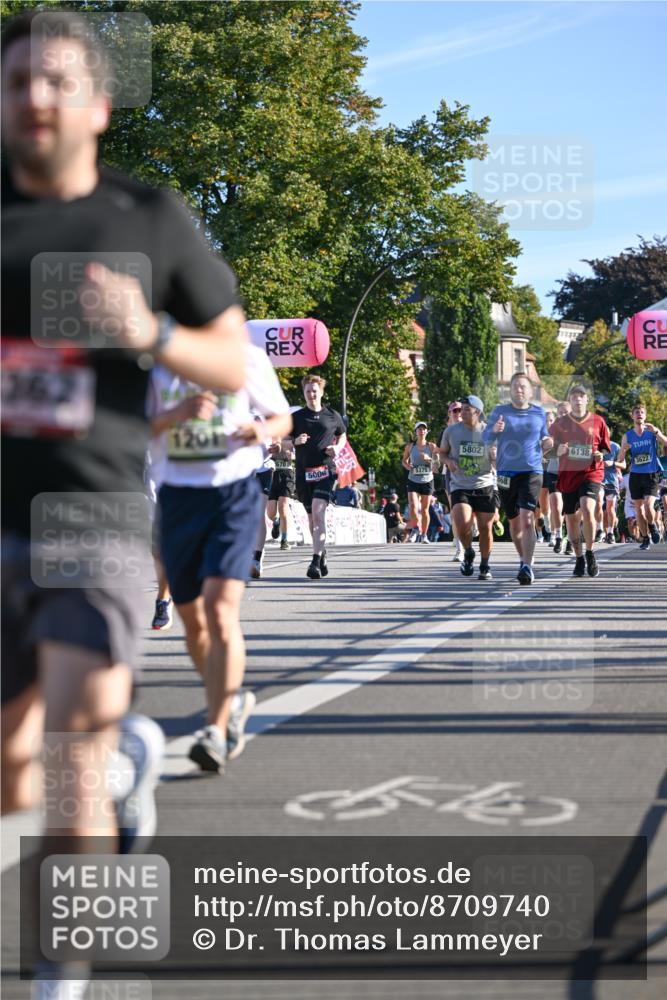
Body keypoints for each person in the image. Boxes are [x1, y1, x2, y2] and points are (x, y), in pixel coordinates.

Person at [1, 9, 249, 859]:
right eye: (16, 81)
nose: (35, 96)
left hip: (88, 513)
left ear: (99, 105)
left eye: (58, 81)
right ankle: (130, 759)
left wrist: (150, 333)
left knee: (70, 763)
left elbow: (229, 360)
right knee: (12, 772)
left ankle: (64, 982)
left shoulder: (146, 218)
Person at [148, 346, 291, 772]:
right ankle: (231, 697)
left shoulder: (244, 358)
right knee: (192, 621)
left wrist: (260, 431)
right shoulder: (155, 363)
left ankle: (216, 727)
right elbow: (130, 426)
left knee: (219, 607)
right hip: (177, 498)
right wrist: (177, 415)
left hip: (233, 494)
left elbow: (282, 417)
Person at [483, 373, 553, 584]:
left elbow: (545, 436)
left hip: (531, 470)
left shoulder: (538, 412)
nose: (519, 389)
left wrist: (548, 441)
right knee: (514, 523)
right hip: (506, 473)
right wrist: (494, 430)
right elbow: (485, 437)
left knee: (527, 518)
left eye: (523, 386)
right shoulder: (500, 412)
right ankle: (523, 558)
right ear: (510, 390)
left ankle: (527, 565)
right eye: (515, 386)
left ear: (530, 391)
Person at [549, 386, 611, 578]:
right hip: (568, 475)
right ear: (569, 400)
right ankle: (579, 558)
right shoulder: (559, 424)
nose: (577, 400)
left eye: (581, 397)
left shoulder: (598, 421)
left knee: (587, 507)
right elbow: (546, 447)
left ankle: (591, 553)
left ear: (586, 400)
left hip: (591, 473)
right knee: (572, 519)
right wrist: (556, 450)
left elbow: (606, 449)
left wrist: (601, 454)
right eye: (574, 397)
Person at [291, 374, 346, 579]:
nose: (311, 394)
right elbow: (285, 442)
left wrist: (338, 448)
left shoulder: (332, 416)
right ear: (304, 394)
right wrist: (295, 441)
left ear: (321, 392)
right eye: (308, 391)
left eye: (315, 391)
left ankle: (314, 561)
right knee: (311, 518)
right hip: (303, 473)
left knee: (318, 511)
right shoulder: (296, 417)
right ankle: (321, 552)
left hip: (326, 471)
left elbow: (342, 435)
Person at [439, 395, 497, 580]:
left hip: (484, 484)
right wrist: (448, 461)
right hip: (460, 485)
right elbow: (442, 454)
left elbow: (500, 460)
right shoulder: (451, 432)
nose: (461, 412)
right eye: (461, 409)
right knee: (463, 523)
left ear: (477, 412)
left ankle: (485, 564)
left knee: (485, 528)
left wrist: (495, 456)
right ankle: (469, 551)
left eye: (466, 409)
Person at [618, 403, 667, 549]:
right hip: (635, 475)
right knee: (638, 510)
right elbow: (620, 460)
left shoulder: (651, 431)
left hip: (651, 474)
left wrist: (657, 432)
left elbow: (666, 442)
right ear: (632, 416)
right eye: (636, 412)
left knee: (648, 506)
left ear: (645, 416)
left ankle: (652, 526)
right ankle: (645, 537)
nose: (639, 414)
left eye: (642, 412)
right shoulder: (627, 436)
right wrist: (623, 451)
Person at [402, 421, 440, 543]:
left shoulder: (432, 447)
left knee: (424, 509)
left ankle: (424, 534)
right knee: (413, 505)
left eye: (424, 429)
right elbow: (404, 460)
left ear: (426, 431)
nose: (422, 431)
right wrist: (407, 466)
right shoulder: (410, 446)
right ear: (416, 432)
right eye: (419, 429)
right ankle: (415, 529)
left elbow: (437, 464)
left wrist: (429, 459)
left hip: (427, 480)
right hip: (413, 479)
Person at [439, 401, 465, 561]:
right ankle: (460, 549)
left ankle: (471, 526)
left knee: (471, 513)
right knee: (456, 512)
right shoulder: (446, 432)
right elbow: (441, 454)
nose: (457, 413)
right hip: (451, 474)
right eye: (454, 411)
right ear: (449, 414)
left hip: (471, 474)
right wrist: (444, 461)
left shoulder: (471, 429)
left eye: (460, 411)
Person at [543, 401, 570, 553]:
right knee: (555, 504)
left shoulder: (579, 429)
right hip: (554, 471)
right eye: (560, 412)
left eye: (565, 412)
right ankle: (558, 537)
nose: (562, 415)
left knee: (571, 509)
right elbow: (545, 445)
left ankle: (572, 538)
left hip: (572, 472)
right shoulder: (553, 430)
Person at [267, 434, 296, 550]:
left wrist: (293, 456)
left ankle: (284, 540)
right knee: (271, 513)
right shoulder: (269, 432)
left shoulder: (291, 431)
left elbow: (299, 450)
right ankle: (276, 521)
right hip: (272, 474)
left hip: (287, 473)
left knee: (283, 507)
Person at [601, 439, 625, 543]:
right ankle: (600, 531)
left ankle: (610, 533)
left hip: (611, 481)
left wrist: (613, 463)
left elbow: (623, 465)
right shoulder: (593, 444)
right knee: (599, 508)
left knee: (609, 509)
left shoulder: (615, 446)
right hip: (597, 480)